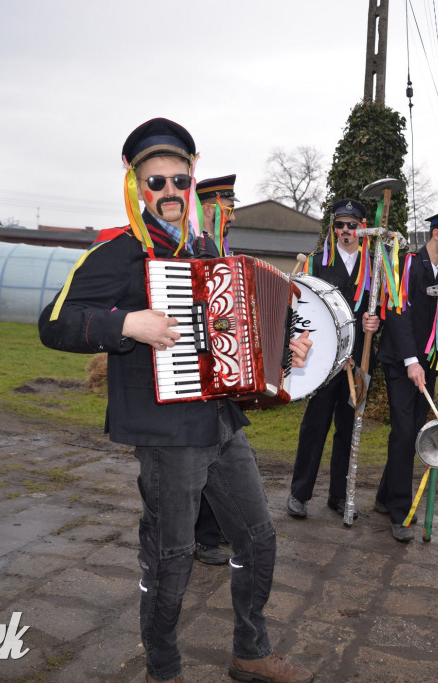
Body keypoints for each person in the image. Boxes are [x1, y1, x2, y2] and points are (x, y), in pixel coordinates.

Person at [38, 118, 314, 683]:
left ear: (192, 184)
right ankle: (163, 670)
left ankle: (250, 651)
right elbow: (54, 323)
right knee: (170, 557)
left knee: (258, 538)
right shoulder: (118, 253)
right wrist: (127, 323)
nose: (169, 192)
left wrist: (290, 348)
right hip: (167, 436)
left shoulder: (208, 248)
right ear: (137, 187)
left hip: (220, 423)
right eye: (155, 182)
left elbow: (241, 330)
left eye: (179, 181)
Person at [286, 199, 381, 520]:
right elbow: (301, 309)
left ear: (363, 228)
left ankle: (339, 497)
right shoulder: (316, 263)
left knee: (349, 429)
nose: (345, 231)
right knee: (315, 425)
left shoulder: (377, 266)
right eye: (340, 225)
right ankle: (299, 494)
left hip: (360, 360)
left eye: (352, 225)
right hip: (323, 361)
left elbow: (384, 308)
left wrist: (376, 321)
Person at [376, 212, 438, 542]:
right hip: (402, 362)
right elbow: (397, 312)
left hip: (424, 362)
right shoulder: (408, 263)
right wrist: (411, 361)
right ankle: (401, 512)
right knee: (403, 432)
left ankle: (385, 496)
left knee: (411, 430)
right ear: (435, 233)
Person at [191, 174, 238, 566]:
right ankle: (202, 537)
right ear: (208, 209)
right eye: (229, 208)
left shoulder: (222, 247)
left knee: (218, 450)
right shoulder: (192, 248)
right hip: (195, 367)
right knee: (199, 456)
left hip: (220, 368)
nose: (233, 216)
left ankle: (213, 531)